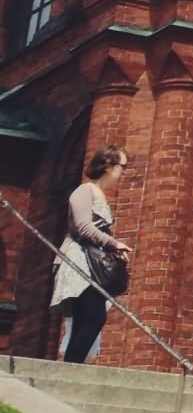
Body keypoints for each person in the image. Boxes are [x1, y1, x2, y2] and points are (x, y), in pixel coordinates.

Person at [51, 147, 132, 364]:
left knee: (84, 320)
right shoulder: (84, 191)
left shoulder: (100, 196)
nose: (122, 172)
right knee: (95, 317)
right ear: (107, 166)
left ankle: (70, 366)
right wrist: (114, 243)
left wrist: (115, 250)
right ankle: (71, 367)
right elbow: (84, 227)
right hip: (79, 263)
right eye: (121, 167)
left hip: (91, 264)